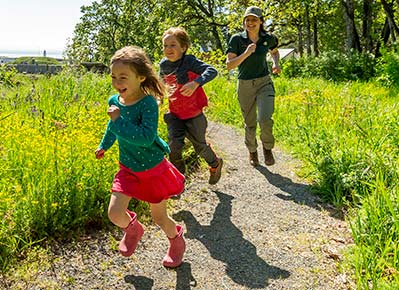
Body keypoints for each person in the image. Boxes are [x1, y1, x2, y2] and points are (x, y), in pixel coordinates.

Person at [94, 46, 187, 268]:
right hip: (127, 168)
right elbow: (111, 126)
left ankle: (176, 240)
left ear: (141, 77)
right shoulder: (114, 100)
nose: (117, 83)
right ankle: (133, 228)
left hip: (153, 170)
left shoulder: (147, 103)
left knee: (160, 218)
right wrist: (103, 145)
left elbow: (146, 137)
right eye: (113, 77)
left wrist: (118, 121)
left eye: (123, 77)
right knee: (115, 213)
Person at [159, 27, 223, 184]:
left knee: (200, 147)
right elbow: (161, 84)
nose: (168, 49)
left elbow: (212, 71)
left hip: (194, 115)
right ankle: (178, 181)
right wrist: (158, 98)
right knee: (174, 146)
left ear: (183, 47)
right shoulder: (164, 65)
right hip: (174, 115)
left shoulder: (189, 61)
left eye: (173, 45)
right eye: (165, 46)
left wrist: (196, 83)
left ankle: (215, 164)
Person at [225, 6, 282, 166]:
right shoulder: (237, 39)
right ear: (244, 22)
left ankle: (267, 149)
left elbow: (275, 51)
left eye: (254, 19)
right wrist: (246, 53)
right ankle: (252, 151)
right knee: (250, 122)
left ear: (261, 21)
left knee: (264, 119)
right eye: (247, 20)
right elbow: (229, 65)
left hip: (264, 82)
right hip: (245, 85)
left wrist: (276, 64)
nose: (250, 23)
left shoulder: (268, 38)